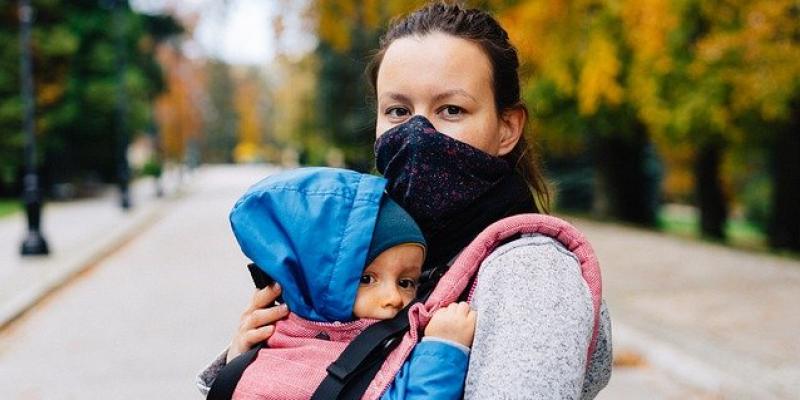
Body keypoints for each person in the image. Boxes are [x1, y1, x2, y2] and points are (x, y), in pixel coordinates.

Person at [200, 2, 612, 399]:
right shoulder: (374, 247)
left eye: (451, 109)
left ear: (507, 128)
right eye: (398, 111)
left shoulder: (530, 274)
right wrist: (250, 361)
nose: (418, 134)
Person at [201, 167, 476, 399]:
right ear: (315, 282)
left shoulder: (393, 336)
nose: (394, 297)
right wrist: (443, 350)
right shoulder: (281, 365)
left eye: (406, 282)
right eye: (366, 279)